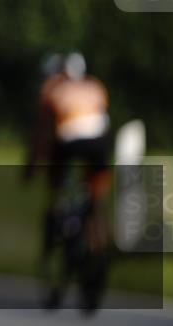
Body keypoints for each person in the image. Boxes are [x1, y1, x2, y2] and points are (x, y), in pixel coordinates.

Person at [26, 52, 111, 308]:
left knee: (58, 186)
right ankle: (98, 244)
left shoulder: (52, 88)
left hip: (70, 142)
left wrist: (30, 168)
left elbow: (41, 136)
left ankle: (59, 217)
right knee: (95, 198)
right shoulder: (95, 85)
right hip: (100, 143)